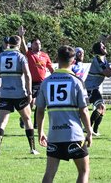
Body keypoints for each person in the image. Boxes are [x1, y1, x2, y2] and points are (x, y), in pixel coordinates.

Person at [36, 45, 92, 183]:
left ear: (56, 59)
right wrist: (89, 131)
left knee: (49, 173)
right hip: (74, 134)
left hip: (54, 136)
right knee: (84, 171)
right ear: (73, 61)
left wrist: (40, 132)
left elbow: (40, 110)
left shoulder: (46, 82)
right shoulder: (76, 81)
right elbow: (84, 110)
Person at [0, 35, 37, 156]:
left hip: (5, 94)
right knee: (27, 119)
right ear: (19, 44)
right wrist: (29, 92)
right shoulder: (20, 57)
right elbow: (27, 75)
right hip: (19, 94)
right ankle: (32, 149)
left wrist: (5, 74)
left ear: (8, 44)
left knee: (2, 121)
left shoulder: (0, 56)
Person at [16, 27, 55, 126]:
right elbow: (23, 48)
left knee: (40, 103)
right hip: (31, 82)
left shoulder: (45, 55)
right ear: (32, 45)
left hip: (42, 83)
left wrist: (56, 77)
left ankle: (36, 123)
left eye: (39, 44)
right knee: (30, 101)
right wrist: (21, 36)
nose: (38, 45)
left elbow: (51, 69)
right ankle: (24, 118)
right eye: (36, 44)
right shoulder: (29, 54)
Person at [84, 41, 111, 136]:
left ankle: (95, 131)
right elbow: (108, 74)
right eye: (102, 46)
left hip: (94, 87)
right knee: (101, 107)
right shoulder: (98, 59)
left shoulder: (103, 59)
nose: (105, 47)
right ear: (98, 50)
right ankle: (87, 128)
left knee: (103, 108)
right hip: (91, 88)